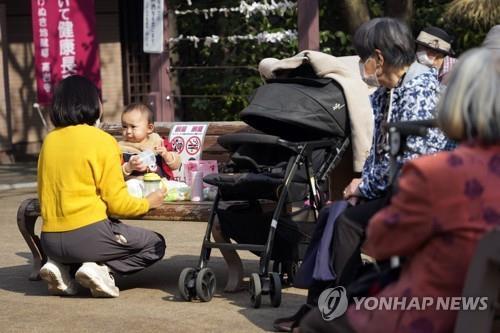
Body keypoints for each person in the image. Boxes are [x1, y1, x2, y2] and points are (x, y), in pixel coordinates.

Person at [298, 47, 500, 333]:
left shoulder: (436, 175)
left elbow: (382, 243)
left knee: (317, 324)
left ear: (457, 100)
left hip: (432, 313)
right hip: (489, 314)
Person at [274, 17, 452, 332]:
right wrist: (361, 186)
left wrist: (365, 187)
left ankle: (333, 311)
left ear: (379, 58)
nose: (362, 66)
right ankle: (319, 304)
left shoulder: (420, 87)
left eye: (363, 58)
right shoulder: (387, 91)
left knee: (346, 223)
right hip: (394, 188)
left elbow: (411, 161)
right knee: (333, 214)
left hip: (419, 192)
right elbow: (377, 151)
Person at [38, 75, 167, 298]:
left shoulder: (49, 140)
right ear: (91, 103)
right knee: (155, 244)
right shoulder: (102, 140)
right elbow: (118, 205)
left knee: (85, 243)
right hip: (88, 236)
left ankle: (62, 267)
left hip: (48, 239)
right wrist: (148, 202)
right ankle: (101, 270)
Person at [119, 102, 181, 180]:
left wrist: (166, 155)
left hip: (161, 185)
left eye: (133, 126)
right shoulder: (120, 149)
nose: (128, 131)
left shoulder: (158, 142)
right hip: (135, 187)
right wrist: (129, 167)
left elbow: (176, 165)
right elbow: (114, 173)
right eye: (124, 126)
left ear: (149, 128)